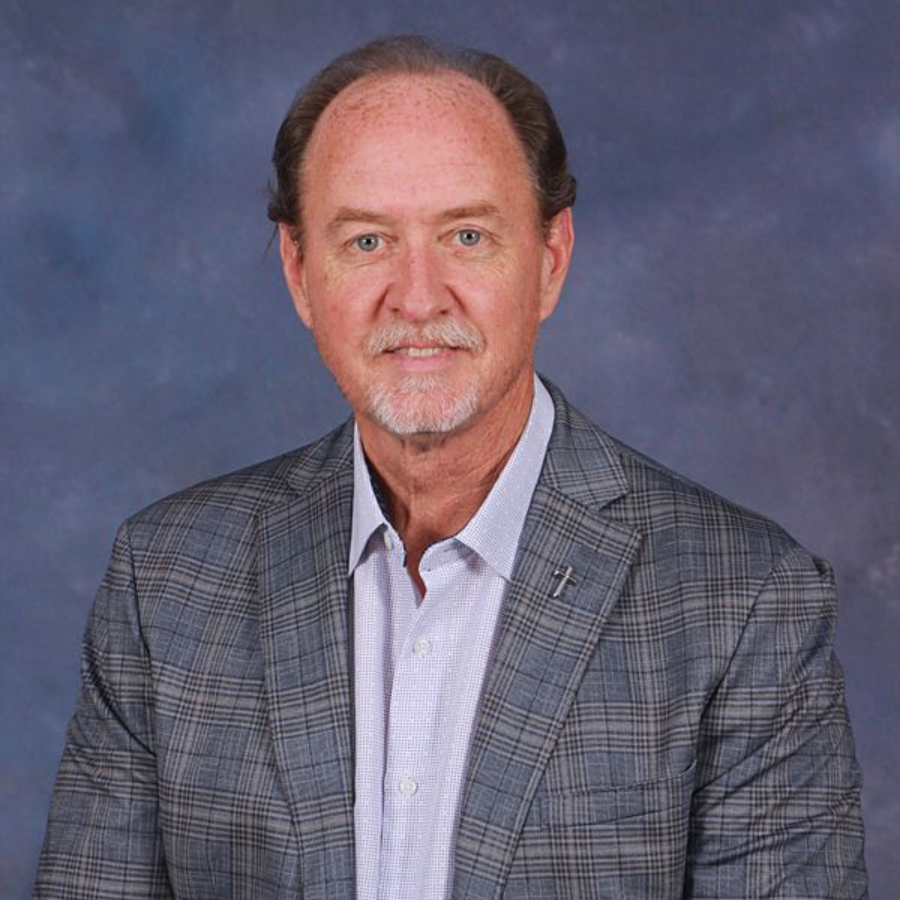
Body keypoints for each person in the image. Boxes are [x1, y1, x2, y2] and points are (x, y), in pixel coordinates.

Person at [34, 34, 867, 899]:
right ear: (298, 271)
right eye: (366, 242)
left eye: (466, 235)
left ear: (549, 259)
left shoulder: (744, 603)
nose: (419, 296)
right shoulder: (165, 583)